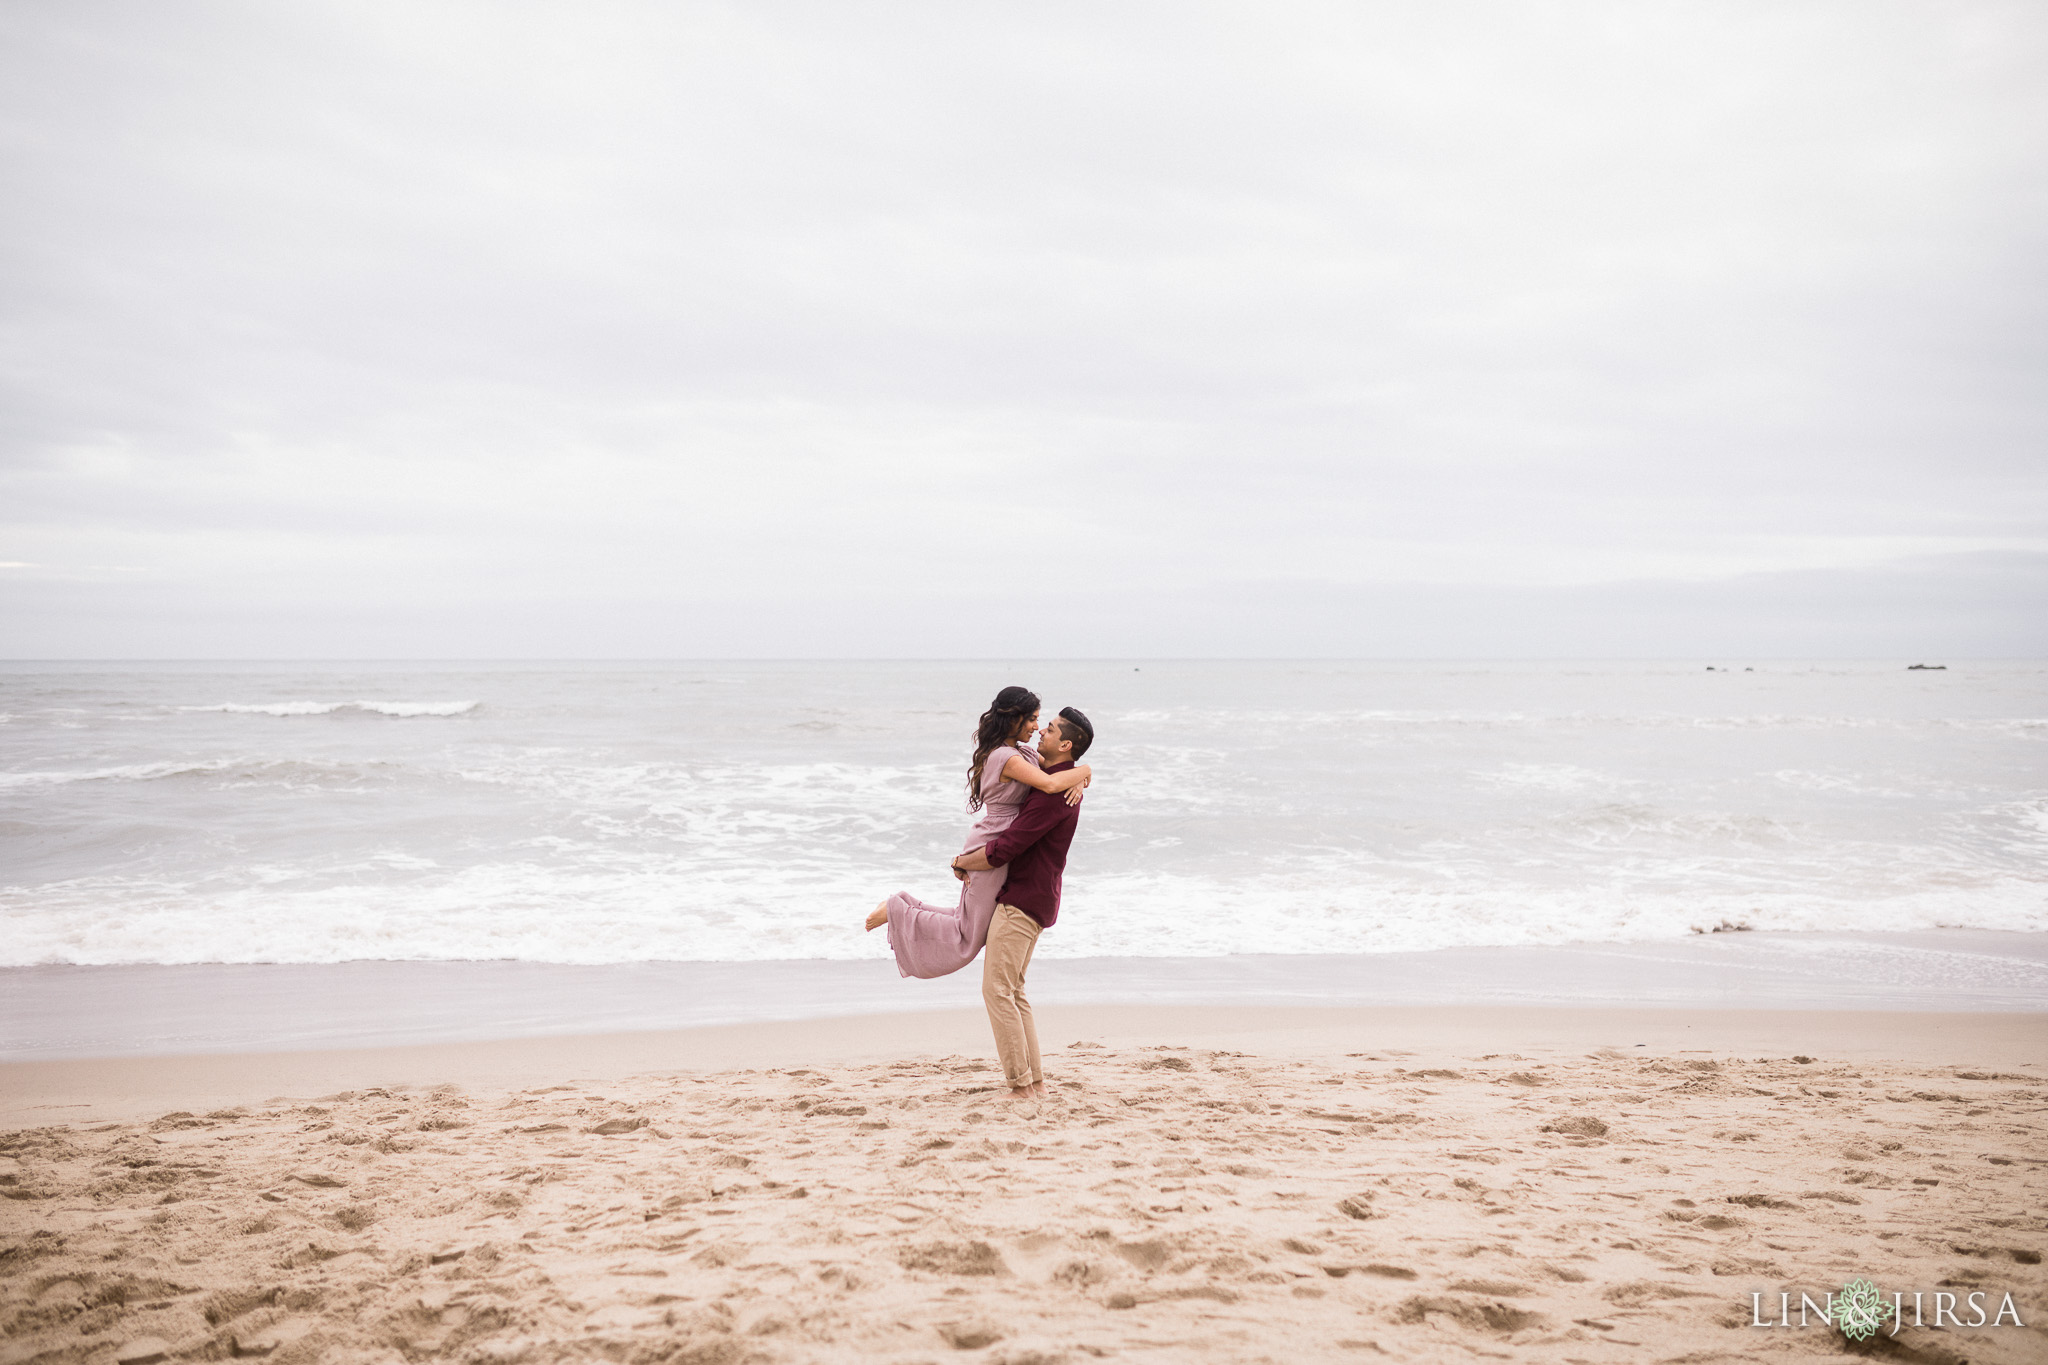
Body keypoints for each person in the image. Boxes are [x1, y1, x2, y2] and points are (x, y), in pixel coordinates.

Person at [865, 686, 1089, 979]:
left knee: (967, 920)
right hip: (992, 841)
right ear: (1013, 720)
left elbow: (1056, 772)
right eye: (1033, 719)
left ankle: (904, 906)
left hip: (1000, 842)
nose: (1037, 727)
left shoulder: (1024, 753)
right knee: (968, 935)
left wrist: (1083, 776)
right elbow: (1050, 785)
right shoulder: (1005, 758)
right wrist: (1085, 770)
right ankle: (897, 912)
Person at [949, 705, 1094, 1100]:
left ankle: (1020, 1086)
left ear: (1065, 744)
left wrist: (961, 862)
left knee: (997, 991)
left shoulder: (1054, 789)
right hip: (1038, 896)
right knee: (1013, 990)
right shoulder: (1058, 778)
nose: (1040, 732)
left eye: (1048, 729)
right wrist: (1084, 773)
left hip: (1023, 900)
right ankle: (1035, 1083)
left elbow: (1007, 848)